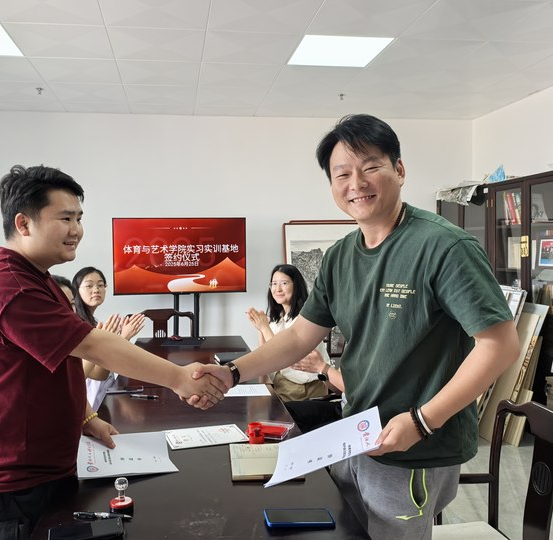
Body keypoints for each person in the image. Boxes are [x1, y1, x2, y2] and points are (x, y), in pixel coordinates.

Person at [196, 114, 520, 539]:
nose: (356, 183)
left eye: (370, 166)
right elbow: (299, 335)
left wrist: (422, 421)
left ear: (399, 170)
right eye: (342, 174)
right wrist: (233, 372)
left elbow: (500, 345)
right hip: (354, 433)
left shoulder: (444, 246)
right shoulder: (340, 256)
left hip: (413, 445)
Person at [0, 164, 226, 539]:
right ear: (23, 223)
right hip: (11, 488)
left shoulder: (37, 279)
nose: (77, 230)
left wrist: (85, 417)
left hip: (40, 472)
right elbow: (93, 345)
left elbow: (54, 363)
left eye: (79, 218)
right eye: (65, 218)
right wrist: (179, 377)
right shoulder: (11, 287)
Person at [246, 263, 331, 402]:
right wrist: (261, 328)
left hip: (302, 387)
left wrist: (264, 327)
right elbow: (266, 352)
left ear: (296, 286)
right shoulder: (280, 317)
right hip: (282, 380)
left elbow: (282, 352)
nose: (277, 289)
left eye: (284, 283)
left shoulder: (305, 318)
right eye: (274, 284)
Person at [72, 266, 146, 409]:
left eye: (100, 285)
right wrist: (121, 339)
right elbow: (98, 374)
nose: (96, 290)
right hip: (90, 402)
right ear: (76, 290)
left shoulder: (92, 322)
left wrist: (118, 340)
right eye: (89, 286)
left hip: (103, 396)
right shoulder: (79, 326)